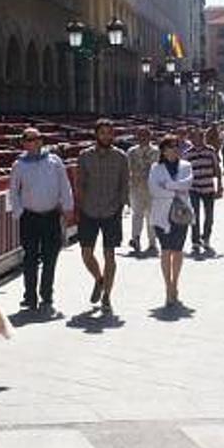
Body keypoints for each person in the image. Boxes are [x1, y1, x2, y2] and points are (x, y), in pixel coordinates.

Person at [7, 128, 74, 311]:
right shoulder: (19, 165)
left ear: (41, 141)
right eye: (29, 139)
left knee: (50, 256)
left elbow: (64, 185)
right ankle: (29, 296)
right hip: (30, 216)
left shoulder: (54, 161)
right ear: (24, 143)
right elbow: (13, 191)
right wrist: (18, 212)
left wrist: (68, 207)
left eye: (37, 139)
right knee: (30, 258)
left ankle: (46, 293)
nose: (33, 142)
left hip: (51, 215)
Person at [76, 119, 129, 311]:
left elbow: (125, 183)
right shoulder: (84, 156)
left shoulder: (121, 157)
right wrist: (79, 205)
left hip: (111, 210)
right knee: (86, 254)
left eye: (109, 132)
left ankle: (107, 294)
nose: (106, 136)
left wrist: (121, 204)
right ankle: (99, 279)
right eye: (103, 132)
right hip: (89, 209)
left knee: (110, 255)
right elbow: (80, 182)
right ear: (96, 134)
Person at [149, 136, 193, 306]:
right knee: (166, 250)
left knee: (178, 250)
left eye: (176, 146)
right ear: (163, 149)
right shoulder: (155, 167)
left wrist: (167, 185)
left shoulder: (186, 166)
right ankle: (168, 286)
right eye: (170, 147)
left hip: (181, 213)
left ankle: (175, 283)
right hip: (161, 213)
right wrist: (174, 190)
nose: (174, 149)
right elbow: (153, 189)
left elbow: (187, 184)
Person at [185, 127, 223, 252]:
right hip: (194, 188)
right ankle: (195, 241)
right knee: (194, 215)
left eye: (201, 137)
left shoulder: (210, 151)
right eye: (196, 137)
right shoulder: (188, 153)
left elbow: (217, 169)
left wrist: (220, 186)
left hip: (208, 187)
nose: (199, 140)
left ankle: (206, 238)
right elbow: (184, 172)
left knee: (209, 216)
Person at [126, 128, 160, 255]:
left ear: (150, 137)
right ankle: (136, 239)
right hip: (136, 186)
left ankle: (152, 243)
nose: (143, 138)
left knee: (151, 216)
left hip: (151, 188)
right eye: (140, 135)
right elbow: (127, 169)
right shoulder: (131, 152)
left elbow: (157, 169)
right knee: (137, 214)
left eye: (145, 135)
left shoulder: (156, 151)